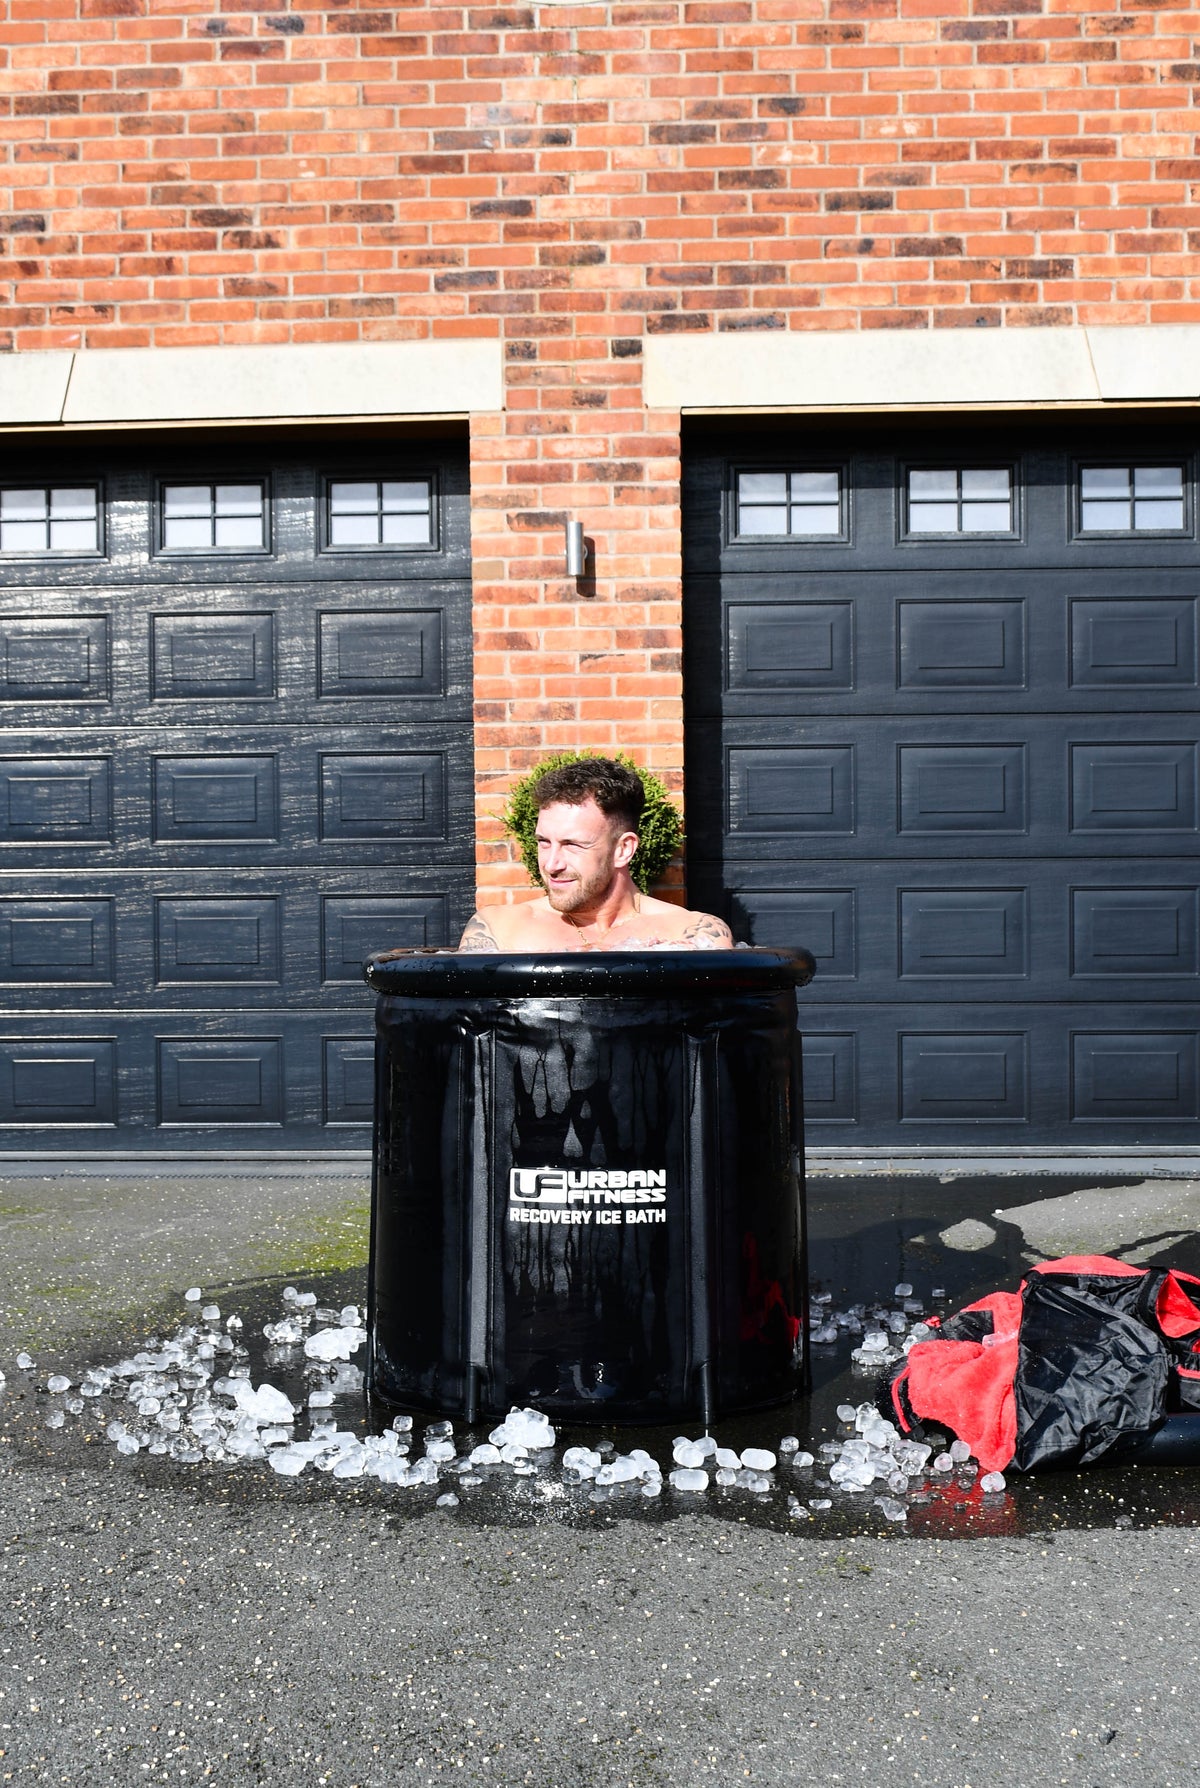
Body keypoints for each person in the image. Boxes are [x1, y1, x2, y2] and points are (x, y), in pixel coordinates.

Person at [457, 758, 734, 953]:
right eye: (544, 842)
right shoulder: (500, 929)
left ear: (623, 849)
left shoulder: (692, 934)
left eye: (572, 845)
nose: (551, 864)